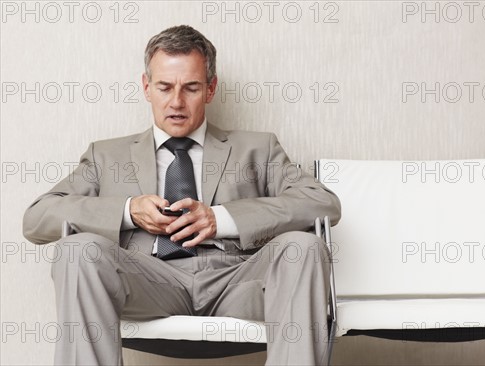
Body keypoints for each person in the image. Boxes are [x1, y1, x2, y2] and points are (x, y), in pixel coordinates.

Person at [22, 25, 341, 366]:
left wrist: (222, 219)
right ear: (146, 87)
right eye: (164, 87)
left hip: (236, 280)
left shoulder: (257, 148)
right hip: (149, 281)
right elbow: (37, 219)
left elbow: (322, 203)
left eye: (190, 87)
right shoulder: (106, 156)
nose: (176, 102)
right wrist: (128, 211)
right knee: (76, 250)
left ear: (210, 89)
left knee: (304, 247)